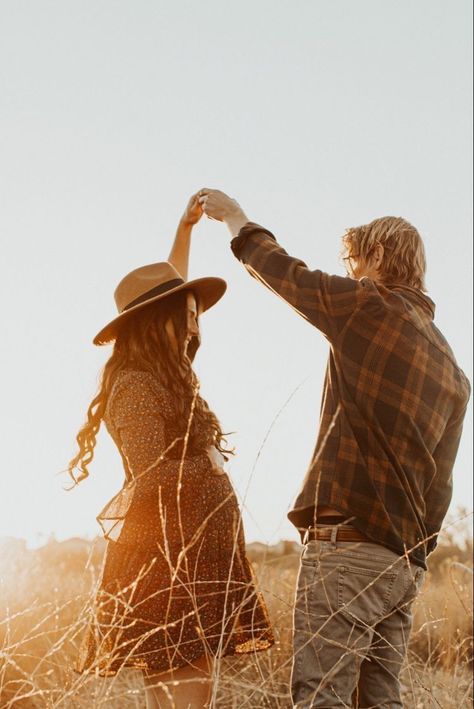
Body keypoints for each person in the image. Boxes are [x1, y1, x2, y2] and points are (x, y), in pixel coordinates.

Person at [198, 188, 470, 708]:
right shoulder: (452, 367)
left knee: (322, 697)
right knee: (381, 702)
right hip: (403, 561)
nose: (347, 273)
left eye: (351, 261)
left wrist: (237, 219)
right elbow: (442, 484)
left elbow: (288, 276)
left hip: (347, 545)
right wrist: (415, 555)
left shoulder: (369, 305)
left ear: (379, 259)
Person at [69, 192, 274, 709]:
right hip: (167, 560)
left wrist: (184, 232)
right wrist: (208, 465)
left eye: (195, 315)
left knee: (185, 692)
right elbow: (151, 478)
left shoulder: (166, 375)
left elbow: (168, 287)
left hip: (193, 552)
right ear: (154, 320)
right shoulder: (138, 385)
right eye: (185, 314)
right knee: (187, 692)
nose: (194, 324)